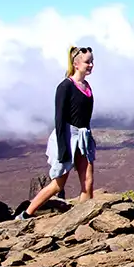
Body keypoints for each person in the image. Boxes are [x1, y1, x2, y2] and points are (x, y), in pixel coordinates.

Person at [18, 46, 96, 219]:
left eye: (92, 62)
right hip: (68, 137)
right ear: (76, 64)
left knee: (88, 181)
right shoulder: (65, 87)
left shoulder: (86, 86)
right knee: (58, 184)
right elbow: (59, 119)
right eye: (87, 62)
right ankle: (27, 213)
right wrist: (63, 149)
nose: (90, 65)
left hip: (83, 137)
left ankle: (83, 218)